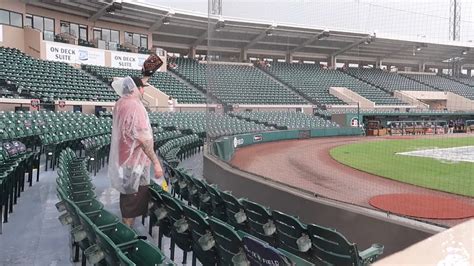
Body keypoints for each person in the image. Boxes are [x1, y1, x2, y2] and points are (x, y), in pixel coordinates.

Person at [108, 76, 164, 227]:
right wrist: (157, 163)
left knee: (128, 200)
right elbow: (144, 140)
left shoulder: (120, 103)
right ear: (136, 88)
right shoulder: (135, 106)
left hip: (125, 160)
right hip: (135, 164)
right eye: (142, 87)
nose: (143, 91)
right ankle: (126, 238)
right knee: (131, 204)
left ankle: (127, 231)